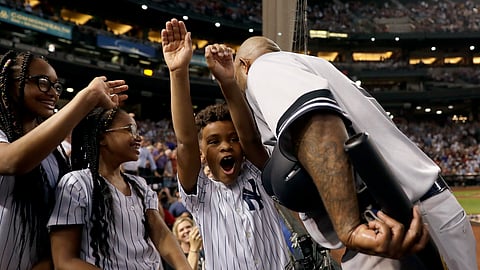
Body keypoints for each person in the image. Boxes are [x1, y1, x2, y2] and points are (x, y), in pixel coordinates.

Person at [214, 35, 477, 270]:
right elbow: (256, 148)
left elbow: (319, 123)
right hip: (419, 210)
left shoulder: (266, 67)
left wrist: (348, 227)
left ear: (245, 65)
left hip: (393, 225)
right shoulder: (313, 69)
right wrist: (228, 84)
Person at [162, 18, 291, 269]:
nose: (226, 146)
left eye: (233, 139)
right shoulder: (200, 193)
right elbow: (186, 141)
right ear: (202, 155)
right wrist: (178, 72)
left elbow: (251, 138)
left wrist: (228, 82)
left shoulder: (258, 174)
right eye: (214, 141)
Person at [0, 50, 128, 270]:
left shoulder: (54, 153)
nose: (52, 93)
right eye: (42, 83)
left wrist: (97, 122)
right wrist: (86, 98)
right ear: (11, 85)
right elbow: (13, 161)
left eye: (56, 86)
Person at [47, 107, 191, 270]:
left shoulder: (140, 184)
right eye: (130, 129)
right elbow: (64, 261)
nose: (138, 138)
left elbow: (162, 235)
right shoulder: (77, 184)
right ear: (102, 138)